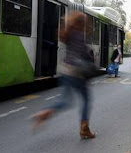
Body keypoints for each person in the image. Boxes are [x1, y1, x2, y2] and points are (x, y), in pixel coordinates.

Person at [31, 11, 95, 139]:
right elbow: (83, 54)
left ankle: (44, 113)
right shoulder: (80, 35)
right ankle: (84, 128)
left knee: (65, 100)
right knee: (86, 99)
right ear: (82, 23)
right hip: (77, 72)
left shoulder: (68, 34)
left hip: (65, 70)